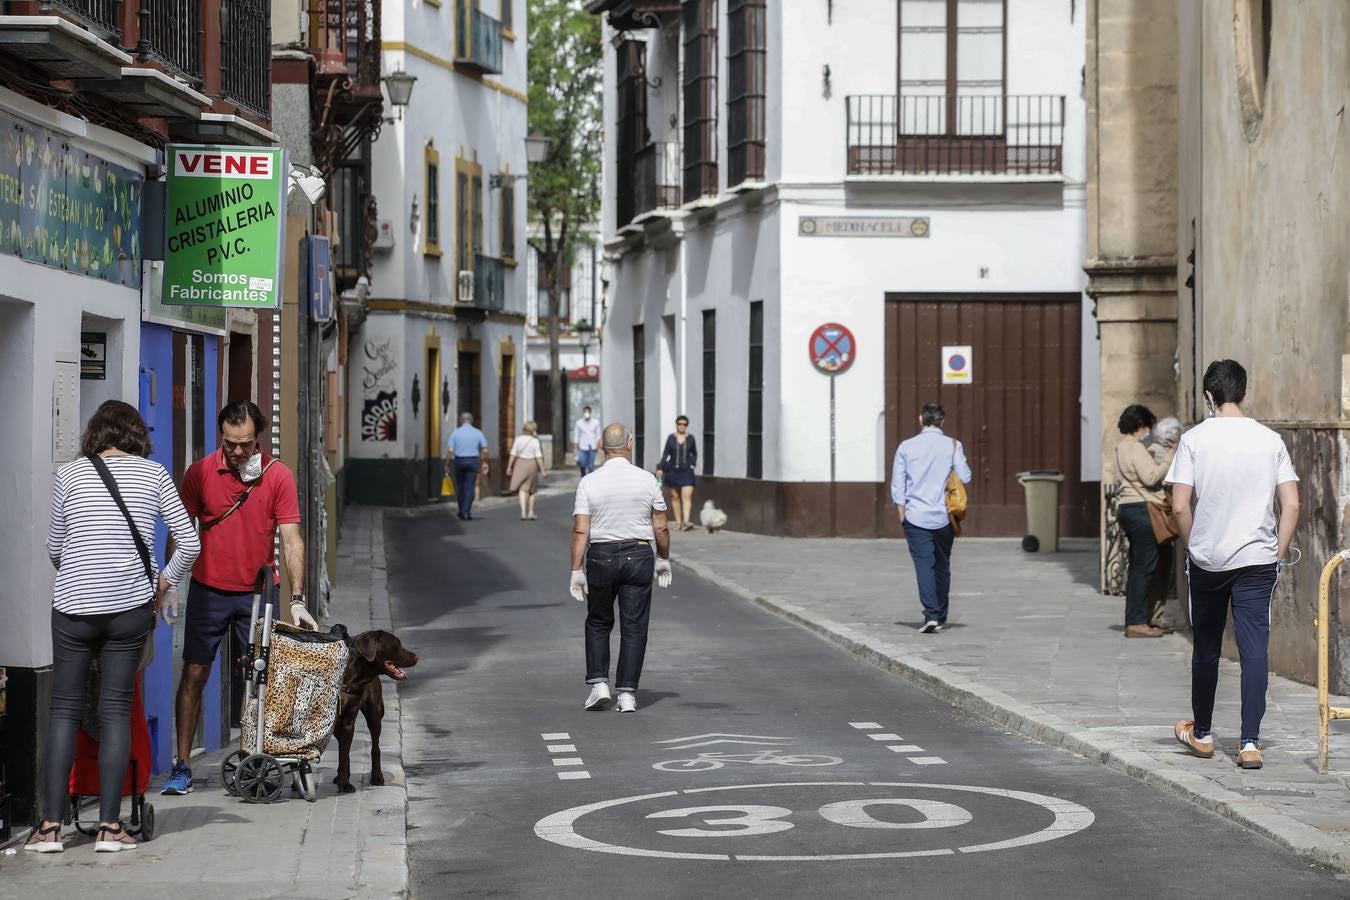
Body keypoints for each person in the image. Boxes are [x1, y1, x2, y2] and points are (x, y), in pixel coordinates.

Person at [28, 401, 199, 853]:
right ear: (136, 435)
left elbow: (54, 546)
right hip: (128, 609)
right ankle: (109, 828)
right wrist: (162, 583)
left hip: (71, 608)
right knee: (116, 711)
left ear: (95, 434)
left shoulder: (70, 474)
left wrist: (79, 576)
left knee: (63, 710)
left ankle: (48, 829)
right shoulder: (155, 474)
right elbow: (191, 543)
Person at [160, 401, 314, 797]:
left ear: (257, 437)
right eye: (231, 443)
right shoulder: (199, 473)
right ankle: (182, 765)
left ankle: (253, 757)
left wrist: (297, 598)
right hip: (208, 590)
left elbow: (292, 538)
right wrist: (170, 581)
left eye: (245, 444)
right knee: (194, 673)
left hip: (257, 593)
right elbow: (180, 530)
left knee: (260, 680)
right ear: (220, 436)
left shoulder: (277, 476)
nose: (238, 451)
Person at [1170, 360, 1299, 771]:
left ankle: (1203, 734)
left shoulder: (1193, 440)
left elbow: (1178, 504)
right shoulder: (1270, 440)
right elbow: (1292, 503)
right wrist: (1276, 552)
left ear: (1209, 396)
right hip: (1257, 559)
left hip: (1208, 560)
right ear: (1244, 393)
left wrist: (1194, 547)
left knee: (1206, 648)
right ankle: (1248, 744)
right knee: (1254, 650)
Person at [570, 423, 673, 713]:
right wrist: (663, 558)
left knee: (599, 621)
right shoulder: (647, 480)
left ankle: (599, 685)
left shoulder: (589, 482)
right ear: (630, 444)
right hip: (639, 554)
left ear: (602, 448)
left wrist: (576, 569)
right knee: (634, 626)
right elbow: (661, 525)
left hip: (601, 556)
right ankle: (627, 694)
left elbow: (580, 530)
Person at [891, 403, 972, 634]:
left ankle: (931, 615)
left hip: (915, 516)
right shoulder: (953, 445)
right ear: (942, 421)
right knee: (942, 564)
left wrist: (902, 515)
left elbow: (898, 484)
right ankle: (942, 614)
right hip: (944, 517)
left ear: (920, 419)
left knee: (924, 565)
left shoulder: (906, 447)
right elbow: (965, 476)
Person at [1114, 403, 1176, 638]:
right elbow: (1150, 478)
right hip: (1143, 511)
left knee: (1146, 565)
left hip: (1129, 510)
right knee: (1145, 567)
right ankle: (1137, 622)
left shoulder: (1121, 448)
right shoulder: (1135, 448)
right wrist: (1168, 459)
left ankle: (1149, 618)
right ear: (1141, 425)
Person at [656, 415, 698, 532]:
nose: (682, 426)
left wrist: (692, 464)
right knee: (675, 497)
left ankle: (686, 522)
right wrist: (660, 467)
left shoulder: (691, 438)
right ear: (676, 425)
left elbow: (694, 453)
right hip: (673, 471)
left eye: (684, 424)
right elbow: (665, 454)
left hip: (687, 472)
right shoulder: (671, 438)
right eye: (679, 424)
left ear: (687, 426)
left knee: (687, 496)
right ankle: (678, 522)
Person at [445, 412, 490, 521]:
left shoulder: (455, 433)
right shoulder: (478, 433)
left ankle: (461, 510)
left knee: (460, 486)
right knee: (470, 486)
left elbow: (450, 450)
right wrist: (485, 462)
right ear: (472, 420)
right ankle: (467, 511)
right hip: (473, 461)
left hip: (459, 461)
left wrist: (446, 464)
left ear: (461, 420)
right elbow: (485, 449)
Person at [507, 421, 548, 520]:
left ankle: (523, 512)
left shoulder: (518, 439)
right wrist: (543, 470)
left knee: (522, 489)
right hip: (531, 464)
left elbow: (513, 454)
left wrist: (509, 466)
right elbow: (539, 457)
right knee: (532, 490)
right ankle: (531, 512)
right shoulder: (535, 441)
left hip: (519, 464)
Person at [572, 406, 602, 476]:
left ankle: (589, 481)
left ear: (590, 413)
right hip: (582, 447)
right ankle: (583, 476)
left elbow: (598, 436)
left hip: (592, 447)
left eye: (588, 412)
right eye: (585, 412)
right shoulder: (579, 423)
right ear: (583, 413)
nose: (586, 413)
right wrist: (575, 449)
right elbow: (576, 437)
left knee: (591, 466)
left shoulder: (596, 422)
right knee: (582, 464)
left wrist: (599, 448)